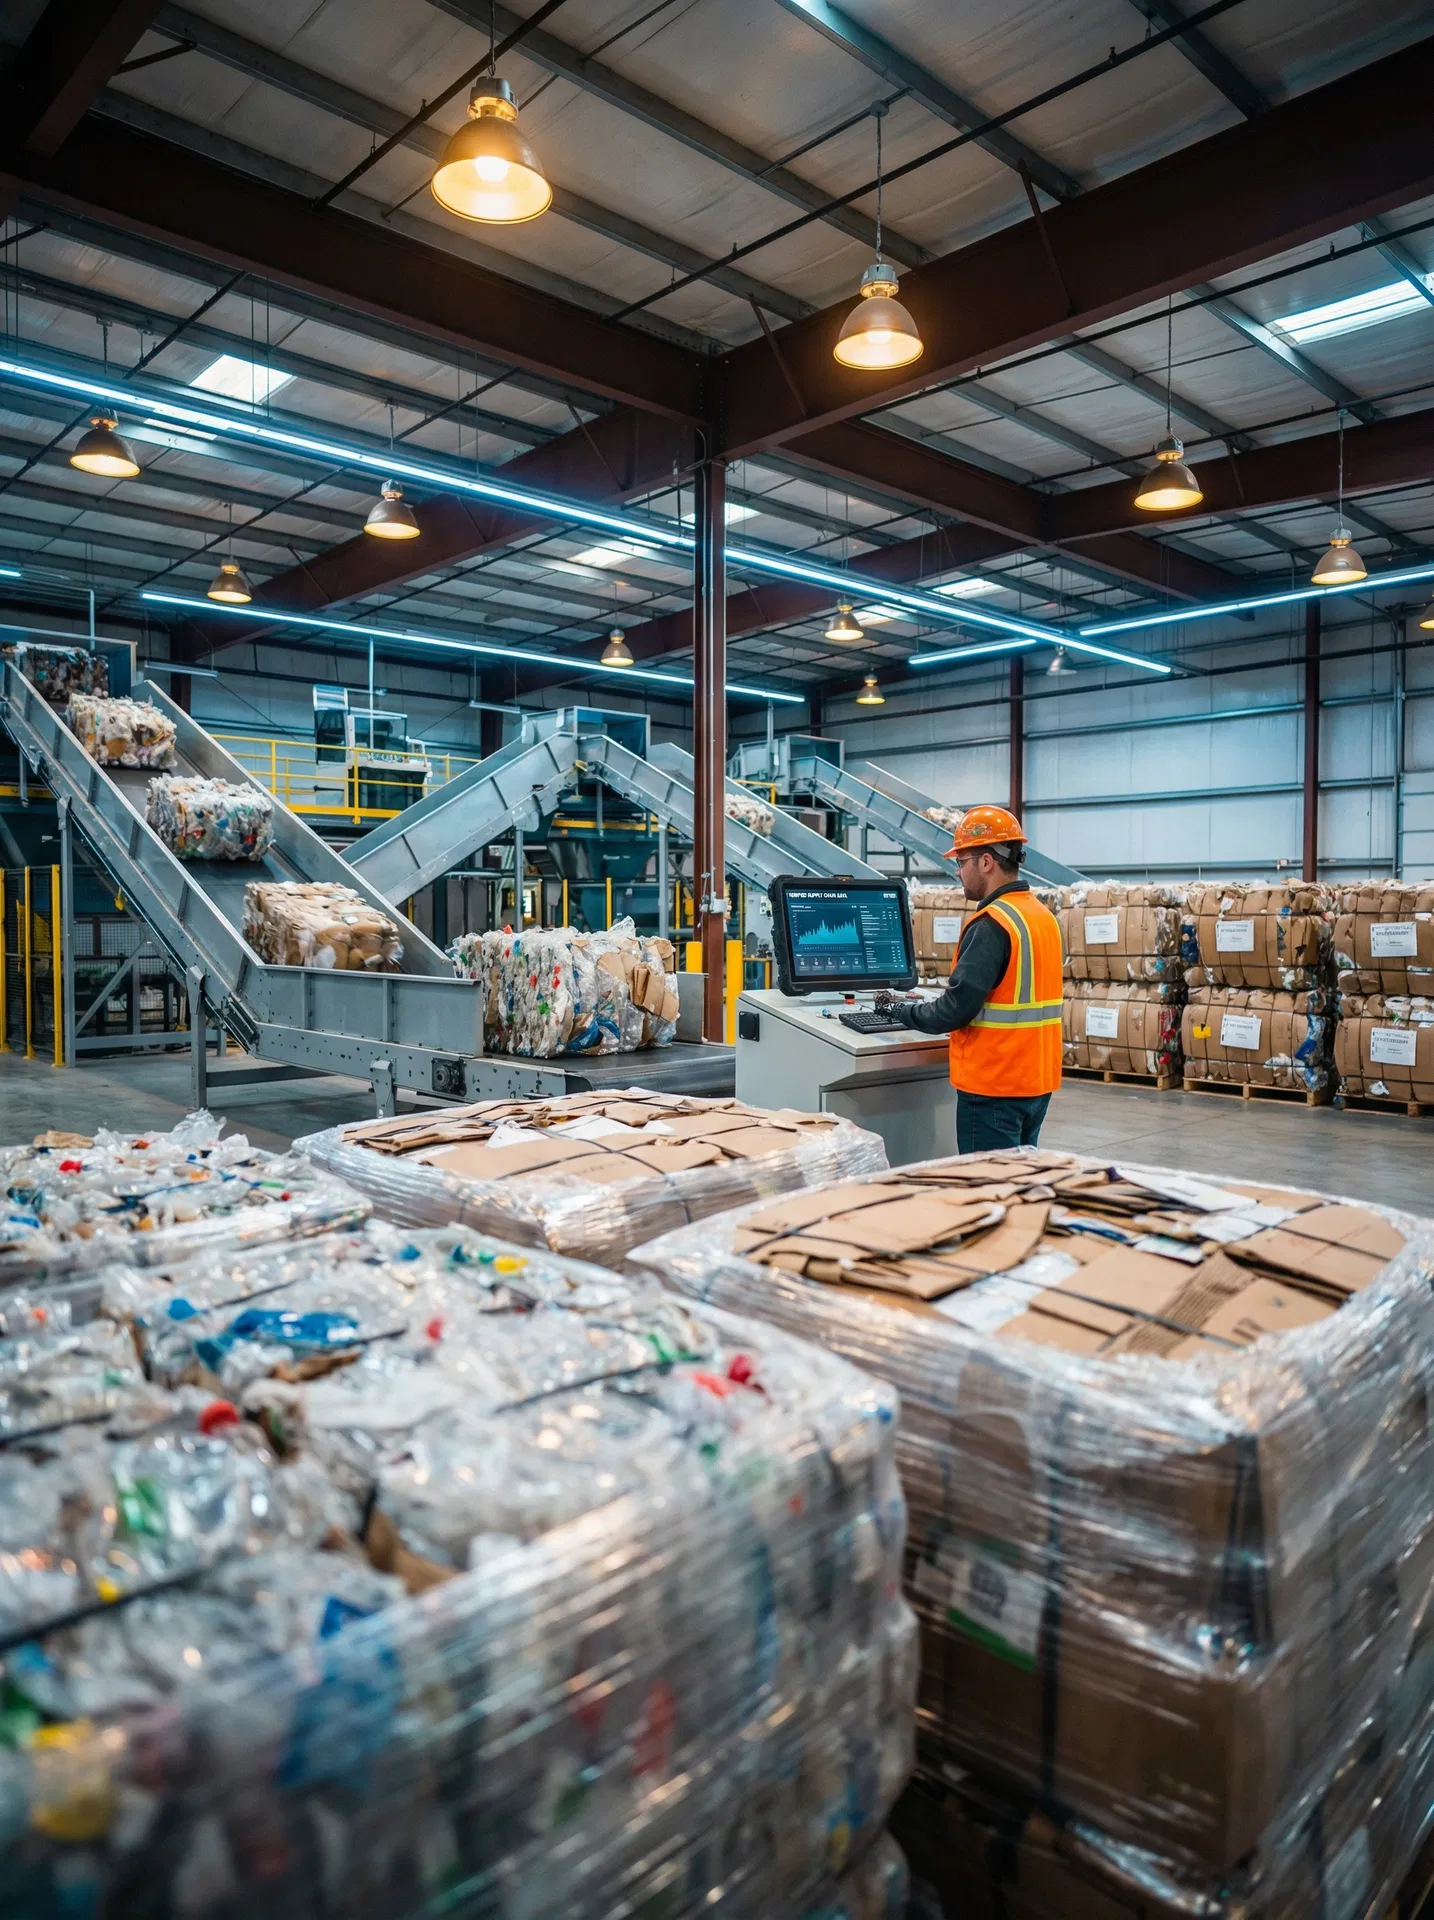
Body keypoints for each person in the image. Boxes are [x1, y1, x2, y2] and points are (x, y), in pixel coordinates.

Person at [877, 805, 1063, 1153]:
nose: (959, 873)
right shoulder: (1042, 917)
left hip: (994, 1089)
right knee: (1017, 1188)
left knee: (988, 1189)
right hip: (1035, 1085)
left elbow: (954, 1011)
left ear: (986, 862)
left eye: (961, 862)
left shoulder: (993, 923)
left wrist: (898, 1011)